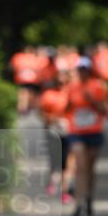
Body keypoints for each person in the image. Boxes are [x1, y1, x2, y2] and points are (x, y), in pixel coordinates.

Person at [65, 56, 108, 216]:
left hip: (94, 131)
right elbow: (67, 107)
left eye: (84, 69)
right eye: (79, 69)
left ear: (89, 70)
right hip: (76, 131)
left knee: (89, 169)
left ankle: (89, 199)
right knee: (80, 166)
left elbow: (105, 110)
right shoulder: (72, 87)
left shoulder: (98, 86)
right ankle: (78, 205)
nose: (82, 72)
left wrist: (93, 101)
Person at [38, 69, 73, 202]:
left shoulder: (71, 93)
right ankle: (52, 181)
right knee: (54, 158)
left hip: (71, 131)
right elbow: (41, 113)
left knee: (68, 161)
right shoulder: (48, 95)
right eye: (59, 79)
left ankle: (65, 190)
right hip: (53, 130)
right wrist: (53, 119)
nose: (62, 82)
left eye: (64, 79)